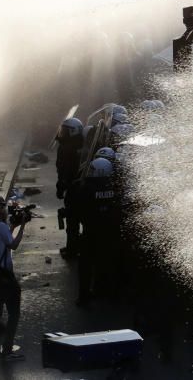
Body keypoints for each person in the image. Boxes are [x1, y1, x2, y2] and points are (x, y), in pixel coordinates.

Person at [0, 194, 27, 361]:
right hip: (6, 276)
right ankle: (7, 350)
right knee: (14, 313)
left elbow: (0, 242)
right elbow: (13, 245)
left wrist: (12, 227)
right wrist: (22, 226)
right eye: (1, 206)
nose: (4, 209)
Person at [74, 156, 119, 306]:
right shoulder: (114, 187)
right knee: (106, 263)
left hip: (90, 233)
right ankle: (105, 292)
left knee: (85, 266)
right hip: (109, 233)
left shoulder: (86, 188)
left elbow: (78, 209)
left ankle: (84, 296)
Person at [55, 117, 85, 259]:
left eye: (65, 131)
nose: (62, 133)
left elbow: (64, 171)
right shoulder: (80, 145)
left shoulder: (68, 149)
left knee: (72, 221)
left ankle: (72, 249)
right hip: (79, 188)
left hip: (73, 189)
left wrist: (61, 187)